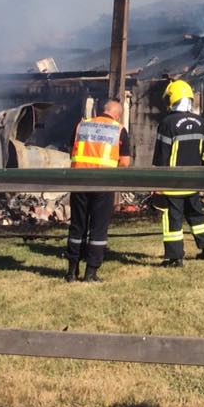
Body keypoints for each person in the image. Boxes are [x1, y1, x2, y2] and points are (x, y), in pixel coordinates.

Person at [151, 79, 204, 267]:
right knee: (197, 216)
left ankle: (175, 258)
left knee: (173, 220)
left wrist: (157, 182)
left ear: (172, 99)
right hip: (193, 181)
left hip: (173, 183)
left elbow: (162, 156)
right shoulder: (200, 122)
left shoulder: (167, 123)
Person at [65, 98, 131, 282]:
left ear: (102, 110)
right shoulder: (119, 129)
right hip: (104, 183)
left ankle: (71, 271)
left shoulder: (82, 125)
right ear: (117, 115)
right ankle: (91, 273)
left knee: (77, 226)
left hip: (79, 182)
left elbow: (71, 152)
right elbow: (125, 162)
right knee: (98, 228)